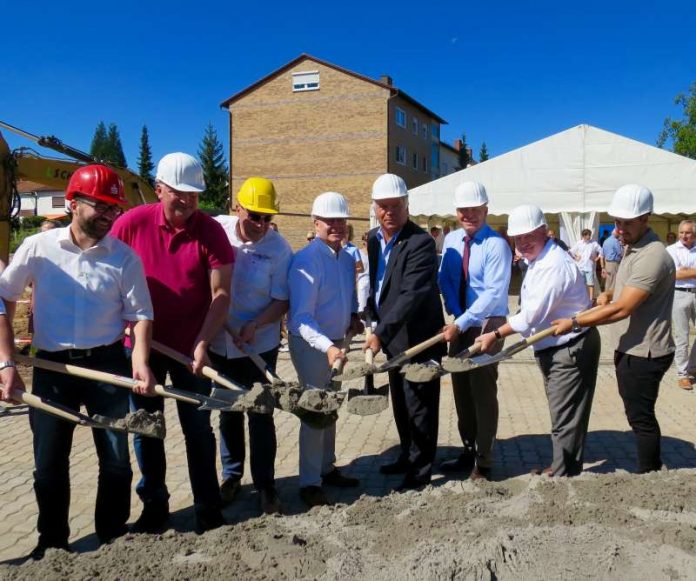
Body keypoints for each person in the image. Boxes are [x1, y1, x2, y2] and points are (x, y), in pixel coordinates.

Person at [0, 165, 155, 560]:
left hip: (106, 366)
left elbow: (140, 314)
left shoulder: (124, 258)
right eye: (100, 205)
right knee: (49, 464)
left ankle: (112, 538)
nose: (109, 214)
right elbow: (4, 298)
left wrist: (139, 360)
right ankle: (52, 543)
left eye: (114, 208)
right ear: (72, 203)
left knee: (117, 460)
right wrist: (6, 363)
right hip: (53, 370)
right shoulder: (39, 248)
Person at [110, 152, 234, 533]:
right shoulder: (131, 224)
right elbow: (105, 274)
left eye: (194, 195)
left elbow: (221, 295)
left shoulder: (210, 230)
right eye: (179, 194)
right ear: (158, 189)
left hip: (190, 349)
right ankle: (155, 507)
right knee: (147, 429)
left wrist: (202, 342)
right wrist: (120, 324)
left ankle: (208, 507)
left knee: (198, 431)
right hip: (142, 350)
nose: (188, 202)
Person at [553, 184, 675, 473]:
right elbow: (621, 297)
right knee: (637, 415)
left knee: (640, 419)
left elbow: (623, 309)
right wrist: (607, 295)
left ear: (646, 218)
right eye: (617, 222)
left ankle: (649, 474)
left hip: (645, 351)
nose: (619, 229)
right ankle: (650, 470)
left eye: (626, 223)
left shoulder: (653, 255)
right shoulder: (633, 249)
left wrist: (575, 322)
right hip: (631, 347)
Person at [477, 205, 600, 477]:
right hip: (554, 348)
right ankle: (562, 467)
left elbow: (531, 316)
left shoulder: (553, 265)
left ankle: (563, 474)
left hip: (570, 348)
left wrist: (496, 334)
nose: (523, 243)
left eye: (529, 235)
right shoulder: (538, 259)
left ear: (545, 231)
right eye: (518, 238)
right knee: (562, 415)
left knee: (565, 419)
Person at [208, 177, 292, 514]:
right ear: (237, 207)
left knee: (260, 414)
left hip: (260, 341)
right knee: (228, 411)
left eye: (267, 218)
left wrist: (255, 325)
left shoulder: (279, 249)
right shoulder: (217, 230)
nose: (260, 225)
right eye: (253, 215)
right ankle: (231, 477)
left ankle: (266, 485)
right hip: (220, 339)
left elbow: (281, 300)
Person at [364, 173, 445, 490]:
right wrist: (369, 316)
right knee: (400, 402)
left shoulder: (421, 243)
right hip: (393, 339)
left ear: (407, 206)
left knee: (421, 406)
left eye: (395, 206)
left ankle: (420, 472)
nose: (389, 213)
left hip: (420, 340)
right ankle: (406, 454)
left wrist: (379, 333)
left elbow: (410, 295)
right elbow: (378, 286)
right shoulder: (373, 239)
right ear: (375, 207)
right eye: (383, 207)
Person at [288, 191, 363, 507]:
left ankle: (327, 467)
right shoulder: (306, 260)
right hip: (312, 345)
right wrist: (328, 347)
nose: (336, 225)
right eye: (329, 220)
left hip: (337, 342)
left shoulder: (346, 256)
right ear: (315, 222)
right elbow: (301, 316)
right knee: (315, 411)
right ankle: (309, 482)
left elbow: (346, 293)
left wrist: (354, 317)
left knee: (330, 407)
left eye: (340, 220)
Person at [437, 182, 511, 481]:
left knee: (482, 392)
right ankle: (467, 450)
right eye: (463, 210)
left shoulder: (497, 245)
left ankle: (485, 459)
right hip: (461, 322)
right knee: (461, 391)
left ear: (485, 210)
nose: (469, 215)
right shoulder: (452, 239)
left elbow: (493, 294)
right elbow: (445, 279)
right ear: (456, 212)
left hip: (486, 325)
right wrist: (455, 312)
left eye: (474, 209)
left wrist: (462, 322)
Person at [666, 220, 696, 390]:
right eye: (682, 232)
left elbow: (681, 273)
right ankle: (683, 374)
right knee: (682, 337)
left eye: (688, 233)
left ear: (694, 234)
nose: (684, 236)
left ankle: (693, 366)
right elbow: (673, 275)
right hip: (679, 294)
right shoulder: (670, 250)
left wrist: (686, 271)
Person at [570, 229, 603, 301]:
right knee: (581, 284)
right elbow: (571, 251)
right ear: (583, 236)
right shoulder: (579, 243)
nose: (588, 237)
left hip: (589, 266)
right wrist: (576, 257)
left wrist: (597, 258)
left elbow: (601, 250)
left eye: (589, 235)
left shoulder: (594, 243)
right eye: (586, 235)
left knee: (590, 283)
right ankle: (583, 298)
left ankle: (591, 299)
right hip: (580, 266)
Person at [357, 232, 370, 317]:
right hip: (362, 282)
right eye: (365, 240)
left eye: (368, 240)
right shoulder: (359, 253)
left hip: (372, 282)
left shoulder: (374, 253)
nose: (367, 242)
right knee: (362, 306)